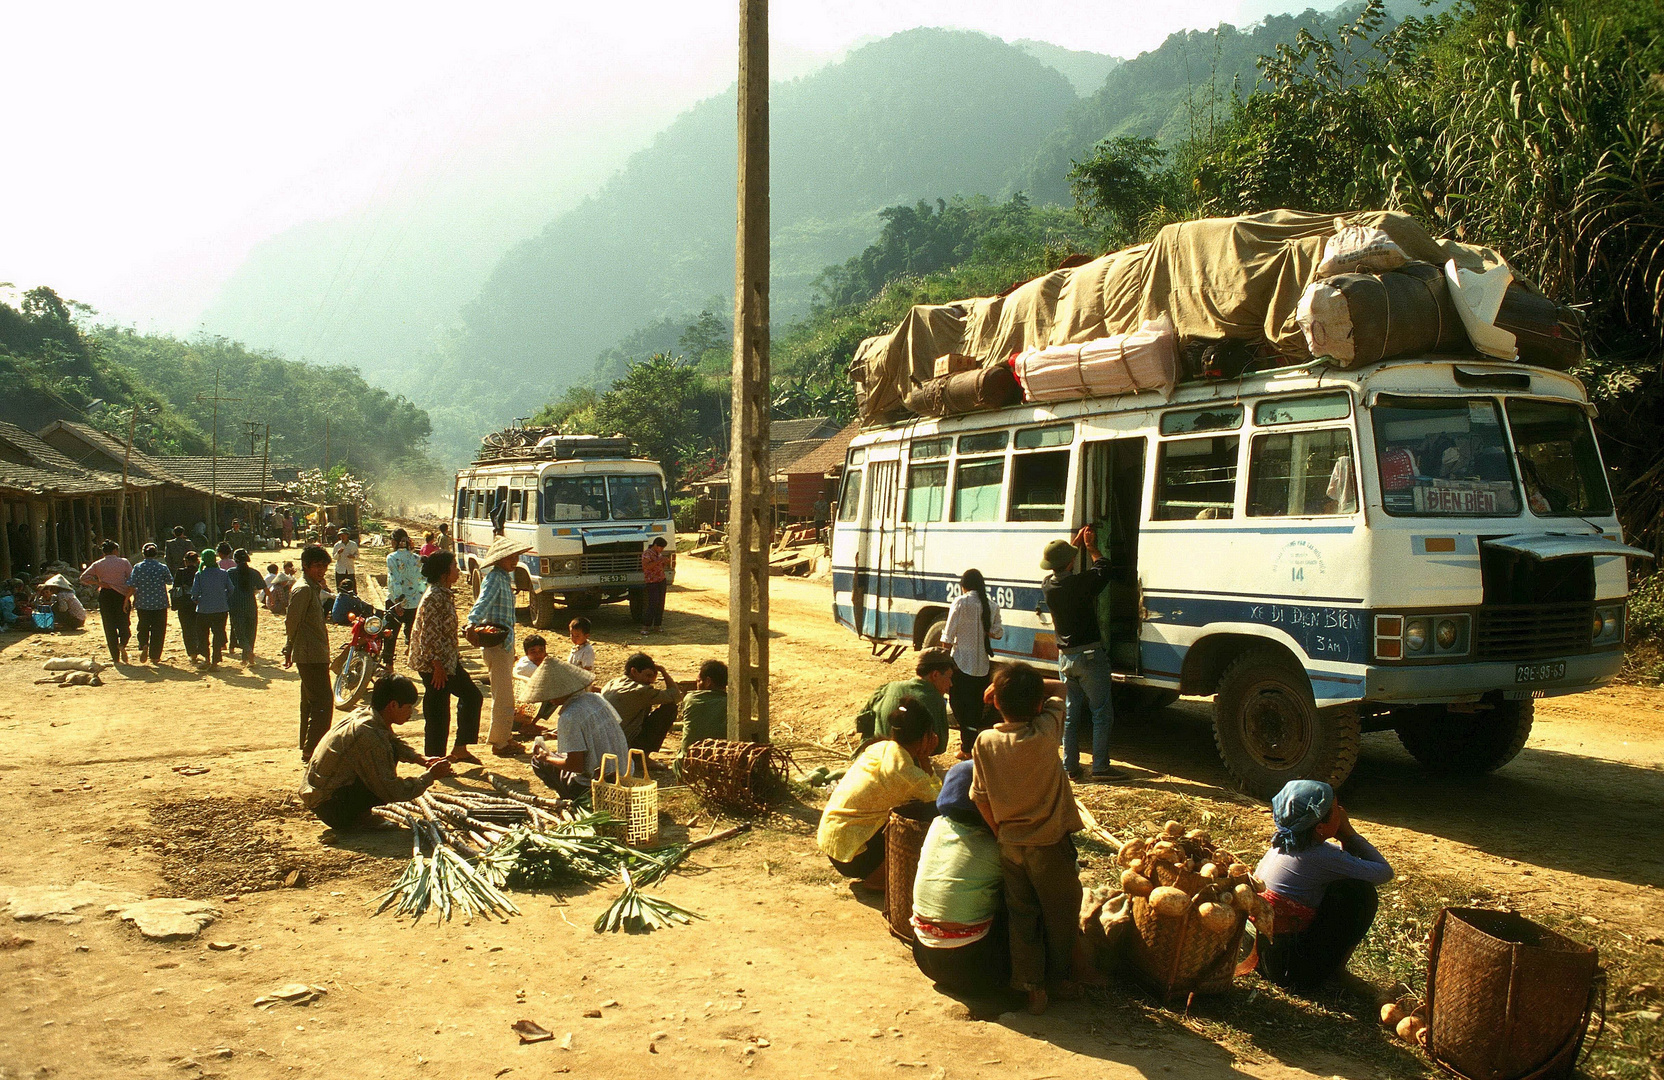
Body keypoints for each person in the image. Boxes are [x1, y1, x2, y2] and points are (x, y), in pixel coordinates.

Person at [970, 663, 1095, 1015]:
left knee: (1022, 915)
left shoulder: (984, 742)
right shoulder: (1045, 732)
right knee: (1060, 914)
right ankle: (1060, 980)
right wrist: (1022, 689)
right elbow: (1063, 689)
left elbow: (979, 798)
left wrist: (1002, 834)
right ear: (1038, 705)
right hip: (1049, 846)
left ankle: (1031, 988)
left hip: (1011, 845)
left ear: (996, 703)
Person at [1255, 780, 1394, 998]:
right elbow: (1384, 872)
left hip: (1261, 957)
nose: (1342, 813)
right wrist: (1349, 834)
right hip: (1287, 970)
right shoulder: (1321, 857)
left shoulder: (1282, 843)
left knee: (1340, 885)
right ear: (1320, 827)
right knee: (1362, 893)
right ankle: (1333, 971)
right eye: (1336, 810)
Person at [297, 675, 455, 830]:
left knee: (390, 750)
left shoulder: (366, 714)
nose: (411, 712)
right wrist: (429, 777)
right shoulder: (369, 735)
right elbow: (393, 791)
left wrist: (420, 759)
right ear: (393, 705)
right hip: (332, 808)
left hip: (321, 797)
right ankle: (355, 820)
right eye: (408, 707)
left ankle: (359, 814)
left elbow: (392, 741)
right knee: (383, 772)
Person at [911, 760, 1011, 997]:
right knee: (1023, 898)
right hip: (969, 964)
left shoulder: (937, 827)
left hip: (923, 955)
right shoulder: (995, 845)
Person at [817, 700, 941, 888]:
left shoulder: (880, 747)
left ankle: (878, 874)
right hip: (852, 857)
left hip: (831, 841)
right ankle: (878, 879)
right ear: (924, 737)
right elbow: (941, 802)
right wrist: (925, 759)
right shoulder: (907, 773)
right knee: (929, 818)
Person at [1040, 526, 1125, 783]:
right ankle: (1100, 767)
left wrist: (1073, 549)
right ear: (1070, 563)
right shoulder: (1079, 584)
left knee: (1071, 713)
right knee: (1101, 711)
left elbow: (1067, 569)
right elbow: (1104, 568)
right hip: (1089, 656)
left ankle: (1070, 766)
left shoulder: (1048, 586)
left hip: (1065, 658)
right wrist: (1092, 548)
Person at [406, 550, 484, 764]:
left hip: (447, 660)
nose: (458, 571)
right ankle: (435, 759)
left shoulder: (444, 593)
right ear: (443, 573)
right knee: (440, 709)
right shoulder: (434, 597)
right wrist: (437, 666)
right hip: (435, 663)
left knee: (466, 698)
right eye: (454, 567)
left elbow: (442, 628)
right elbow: (428, 636)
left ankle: (458, 749)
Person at [525, 658, 633, 799]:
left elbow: (576, 765)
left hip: (594, 785)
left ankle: (572, 799)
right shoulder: (596, 698)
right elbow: (604, 729)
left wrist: (547, 758)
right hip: (623, 774)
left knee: (538, 761)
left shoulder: (569, 716)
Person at [467, 535, 531, 756]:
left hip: (504, 643)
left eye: (516, 557)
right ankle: (500, 743)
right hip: (496, 644)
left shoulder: (504, 578)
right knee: (503, 695)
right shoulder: (494, 579)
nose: (515, 561)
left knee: (504, 693)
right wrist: (471, 623)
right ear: (499, 559)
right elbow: (482, 602)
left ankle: (503, 736)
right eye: (510, 557)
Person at [940, 569, 1004, 757]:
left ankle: (967, 748)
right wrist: (985, 631)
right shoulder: (992, 605)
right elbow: (998, 633)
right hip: (982, 666)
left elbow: (948, 635)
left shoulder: (960, 602)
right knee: (975, 708)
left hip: (961, 663)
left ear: (964, 586)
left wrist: (944, 661)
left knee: (959, 706)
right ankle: (970, 747)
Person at [284, 545, 334, 759]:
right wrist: (289, 647)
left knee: (310, 702)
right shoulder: (303, 589)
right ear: (305, 566)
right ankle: (313, 749)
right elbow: (291, 621)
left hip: (315, 652)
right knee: (323, 702)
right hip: (309, 654)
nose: (321, 570)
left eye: (324, 566)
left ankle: (307, 745)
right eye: (317, 566)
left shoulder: (312, 587)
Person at [853, 647, 953, 750]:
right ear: (935, 675)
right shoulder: (935, 700)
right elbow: (939, 747)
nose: (950, 684)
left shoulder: (888, 687)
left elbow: (862, 722)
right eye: (949, 677)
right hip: (903, 761)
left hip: (872, 755)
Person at [601, 652, 684, 758]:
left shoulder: (612, 683)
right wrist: (663, 671)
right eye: (648, 675)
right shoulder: (639, 690)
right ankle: (641, 758)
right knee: (669, 709)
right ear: (634, 671)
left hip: (604, 745)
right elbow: (676, 696)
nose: (650, 680)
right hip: (622, 745)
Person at [671, 659, 730, 777]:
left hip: (687, 768)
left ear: (708, 682)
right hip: (721, 766)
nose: (697, 685)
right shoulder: (731, 703)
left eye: (698, 681)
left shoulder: (690, 699)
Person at [81, 539, 134, 664]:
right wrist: (129, 596)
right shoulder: (124, 562)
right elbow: (132, 580)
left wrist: (99, 583)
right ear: (115, 550)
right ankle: (122, 644)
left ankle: (115, 657)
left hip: (105, 595)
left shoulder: (98, 564)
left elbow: (83, 578)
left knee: (109, 626)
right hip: (121, 596)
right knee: (124, 623)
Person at [127, 543, 174, 665]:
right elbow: (170, 581)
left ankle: (143, 645)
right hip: (160, 603)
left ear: (143, 554)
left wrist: (127, 599)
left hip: (142, 603)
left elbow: (132, 584)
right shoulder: (162, 567)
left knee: (143, 626)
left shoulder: (137, 567)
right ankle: (155, 656)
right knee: (159, 629)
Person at [384, 528, 425, 666]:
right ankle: (412, 654)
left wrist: (398, 601)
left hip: (397, 601)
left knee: (390, 634)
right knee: (412, 630)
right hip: (415, 601)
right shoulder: (417, 558)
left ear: (395, 541)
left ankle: (389, 665)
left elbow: (394, 580)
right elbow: (421, 581)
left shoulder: (392, 558)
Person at [190, 548, 234, 668]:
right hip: (221, 609)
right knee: (218, 633)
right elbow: (231, 589)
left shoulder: (199, 575)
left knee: (203, 635)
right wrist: (223, 597)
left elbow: (194, 593)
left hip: (203, 610)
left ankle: (206, 658)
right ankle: (216, 660)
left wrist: (196, 600)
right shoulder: (223, 573)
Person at [226, 548, 264, 664]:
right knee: (251, 631)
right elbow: (261, 586)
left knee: (240, 632)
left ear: (235, 560)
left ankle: (247, 650)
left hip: (235, 605)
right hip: (250, 605)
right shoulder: (254, 572)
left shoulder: (230, 572)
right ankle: (247, 656)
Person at [513, 634, 559, 727]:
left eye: (541, 651)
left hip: (518, 714)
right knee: (556, 692)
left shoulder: (527, 661)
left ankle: (530, 724)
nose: (538, 654)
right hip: (517, 717)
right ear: (527, 653)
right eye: (533, 651)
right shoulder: (528, 667)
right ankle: (527, 726)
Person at [638, 536, 671, 635]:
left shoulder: (658, 554)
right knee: (653, 603)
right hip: (651, 581)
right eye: (660, 547)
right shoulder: (647, 554)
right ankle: (646, 626)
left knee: (660, 603)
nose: (662, 549)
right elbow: (646, 566)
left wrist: (664, 562)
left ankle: (657, 625)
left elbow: (660, 566)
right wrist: (659, 561)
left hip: (661, 579)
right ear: (655, 545)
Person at [172, 551, 202, 662]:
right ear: (197, 561)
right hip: (198, 603)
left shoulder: (180, 572)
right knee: (199, 627)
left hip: (184, 604)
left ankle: (192, 653)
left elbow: (175, 587)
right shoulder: (200, 572)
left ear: (185, 561)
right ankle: (200, 648)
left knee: (187, 629)